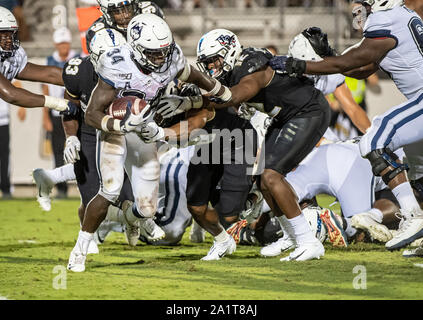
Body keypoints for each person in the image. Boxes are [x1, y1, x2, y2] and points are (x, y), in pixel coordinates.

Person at [67, 14, 232, 272]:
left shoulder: (170, 57)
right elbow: (91, 114)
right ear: (135, 48)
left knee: (147, 209)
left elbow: (191, 74)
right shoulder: (117, 64)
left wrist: (217, 89)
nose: (160, 58)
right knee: (110, 191)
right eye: (153, 52)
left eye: (163, 51)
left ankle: (133, 220)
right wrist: (120, 125)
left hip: (146, 129)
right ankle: (80, 248)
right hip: (115, 128)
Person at [157, 28, 332, 261]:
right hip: (284, 117)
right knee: (264, 180)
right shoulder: (231, 72)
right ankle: (291, 235)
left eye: (214, 61)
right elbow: (219, 98)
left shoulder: (250, 66)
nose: (211, 68)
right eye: (206, 63)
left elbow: (236, 95)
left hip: (308, 112)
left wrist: (189, 101)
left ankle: (308, 241)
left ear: (228, 52)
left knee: (270, 176)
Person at [268, 0, 423, 251]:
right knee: (417, 172)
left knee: (375, 139)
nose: (356, 8)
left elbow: (351, 62)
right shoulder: (400, 16)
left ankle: (414, 218)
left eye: (362, 3)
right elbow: (363, 68)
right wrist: (330, 59)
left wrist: (304, 65)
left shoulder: (387, 17)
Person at [0, 6, 76, 114]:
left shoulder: (11, 54)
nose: (9, 40)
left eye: (11, 35)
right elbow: (11, 95)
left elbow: (49, 74)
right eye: (3, 36)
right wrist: (57, 103)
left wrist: (79, 79)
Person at [41, 27, 80, 199]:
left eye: (65, 43)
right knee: (58, 151)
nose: (63, 46)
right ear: (56, 44)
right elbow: (45, 88)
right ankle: (61, 189)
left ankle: (83, 185)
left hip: (76, 112)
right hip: (56, 113)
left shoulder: (79, 59)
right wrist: (45, 116)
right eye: (60, 43)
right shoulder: (50, 60)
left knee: (81, 149)